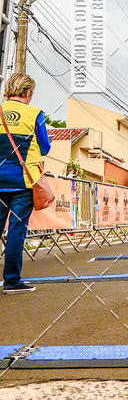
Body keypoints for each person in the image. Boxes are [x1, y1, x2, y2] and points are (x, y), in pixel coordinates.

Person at [0, 73, 51, 293]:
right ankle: (12, 281)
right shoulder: (35, 114)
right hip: (23, 183)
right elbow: (45, 147)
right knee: (16, 232)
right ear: (28, 92)